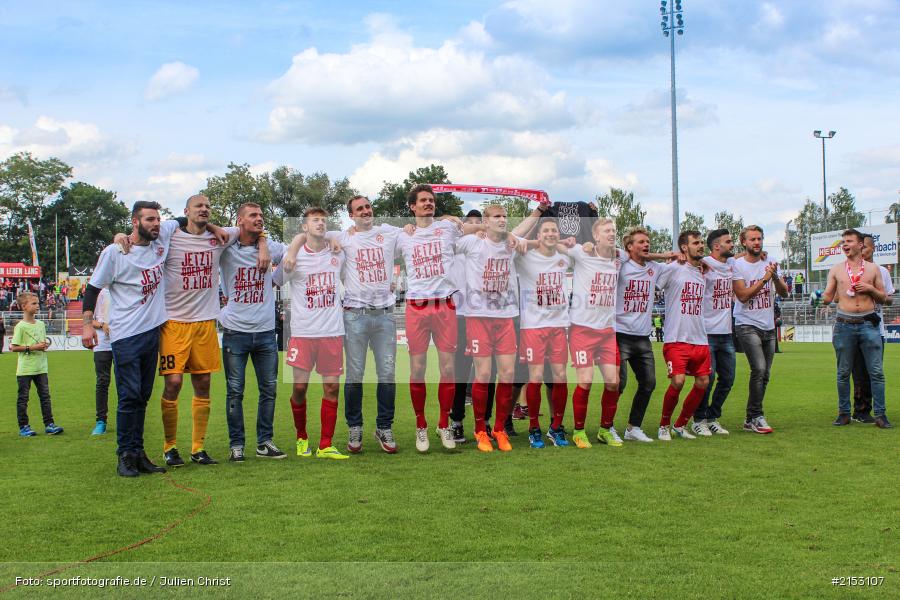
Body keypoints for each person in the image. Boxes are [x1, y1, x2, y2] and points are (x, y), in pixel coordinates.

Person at [287, 196, 402, 454]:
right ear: (351, 215)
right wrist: (295, 249)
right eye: (359, 208)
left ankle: (384, 427)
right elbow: (308, 235)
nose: (365, 211)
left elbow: (416, 230)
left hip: (384, 315)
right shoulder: (342, 236)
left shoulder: (388, 231)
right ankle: (354, 427)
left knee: (387, 375)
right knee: (354, 376)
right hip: (354, 316)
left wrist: (450, 220)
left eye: (368, 206)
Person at [155, 195, 248, 467]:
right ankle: (170, 447)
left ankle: (198, 448)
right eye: (199, 206)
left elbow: (252, 230)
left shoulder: (219, 238)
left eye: (208, 206)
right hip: (174, 323)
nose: (204, 209)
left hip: (206, 322)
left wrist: (263, 244)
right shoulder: (170, 236)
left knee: (203, 383)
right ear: (186, 212)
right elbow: (138, 233)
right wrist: (118, 237)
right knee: (173, 383)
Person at [82, 201, 170, 477]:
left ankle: (138, 452)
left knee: (142, 396)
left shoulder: (161, 240)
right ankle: (124, 455)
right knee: (129, 396)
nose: (156, 224)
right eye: (149, 220)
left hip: (151, 333)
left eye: (157, 219)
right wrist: (87, 326)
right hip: (125, 335)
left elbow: (188, 217)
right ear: (135, 222)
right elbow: (92, 290)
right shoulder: (115, 251)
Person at [276, 207, 348, 459]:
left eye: (323, 220)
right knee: (299, 388)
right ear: (304, 227)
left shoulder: (338, 252)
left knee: (331, 388)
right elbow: (276, 281)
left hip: (332, 332)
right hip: (303, 333)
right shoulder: (293, 255)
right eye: (314, 220)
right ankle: (301, 437)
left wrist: (332, 239)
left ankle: (326, 444)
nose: (320, 223)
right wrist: (292, 251)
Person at [396, 184, 463, 452]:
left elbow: (473, 230)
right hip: (417, 306)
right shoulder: (402, 235)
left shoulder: (447, 228)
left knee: (448, 369)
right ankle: (421, 426)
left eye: (431, 200)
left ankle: (443, 424)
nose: (428, 203)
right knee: (418, 369)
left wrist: (456, 219)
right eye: (423, 200)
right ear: (412, 206)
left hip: (445, 305)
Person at [455, 205, 527, 452]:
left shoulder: (510, 244)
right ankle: (479, 431)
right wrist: (479, 228)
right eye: (497, 216)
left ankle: (499, 429)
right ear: (486, 220)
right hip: (478, 317)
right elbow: (452, 233)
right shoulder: (473, 242)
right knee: (483, 374)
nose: (502, 220)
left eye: (505, 216)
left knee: (507, 374)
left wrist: (537, 214)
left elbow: (530, 238)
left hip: (506, 317)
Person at [218, 203, 286, 462]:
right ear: (239, 220)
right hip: (236, 331)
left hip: (267, 332)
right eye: (253, 215)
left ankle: (264, 442)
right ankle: (236, 445)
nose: (259, 219)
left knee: (268, 390)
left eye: (261, 216)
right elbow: (207, 235)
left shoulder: (273, 247)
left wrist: (266, 247)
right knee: (235, 391)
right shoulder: (227, 247)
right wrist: (220, 315)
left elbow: (293, 256)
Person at [561, 218, 620, 449]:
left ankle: (605, 429)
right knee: (585, 382)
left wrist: (667, 257)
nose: (611, 233)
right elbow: (555, 244)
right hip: (582, 331)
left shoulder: (618, 257)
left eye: (614, 230)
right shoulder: (582, 252)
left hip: (607, 332)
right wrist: (567, 241)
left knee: (613, 383)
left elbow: (640, 255)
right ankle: (578, 431)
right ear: (596, 236)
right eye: (607, 230)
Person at [822, 229, 890, 428]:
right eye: (843, 241)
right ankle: (843, 413)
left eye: (849, 241)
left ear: (860, 245)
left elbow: (885, 298)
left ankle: (880, 415)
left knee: (876, 372)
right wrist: (818, 299)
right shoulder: (836, 269)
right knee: (843, 372)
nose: (844, 244)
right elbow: (828, 297)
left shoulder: (873, 269)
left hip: (869, 324)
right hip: (844, 325)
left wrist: (870, 289)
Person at [614, 227, 674, 443]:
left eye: (648, 241)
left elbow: (681, 261)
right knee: (618, 384)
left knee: (648, 383)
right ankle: (607, 426)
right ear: (629, 247)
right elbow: (614, 251)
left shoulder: (655, 269)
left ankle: (633, 427)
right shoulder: (621, 263)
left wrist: (670, 257)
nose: (646, 245)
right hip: (619, 333)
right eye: (640, 242)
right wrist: (663, 254)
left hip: (642, 336)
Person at [515, 218, 571, 448]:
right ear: (539, 235)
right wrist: (535, 243)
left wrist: (568, 244)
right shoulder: (525, 256)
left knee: (560, 378)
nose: (550, 233)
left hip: (558, 326)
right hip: (533, 327)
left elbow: (592, 251)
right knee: (535, 378)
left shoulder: (564, 257)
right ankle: (534, 428)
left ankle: (556, 428)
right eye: (545, 230)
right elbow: (513, 241)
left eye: (554, 230)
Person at [732, 225, 789, 434]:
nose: (757, 243)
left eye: (759, 239)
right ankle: (757, 415)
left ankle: (750, 418)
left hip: (768, 325)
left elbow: (784, 293)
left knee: (765, 374)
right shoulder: (738, 266)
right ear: (744, 242)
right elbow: (743, 296)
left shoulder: (771, 263)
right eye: (752, 239)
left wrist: (774, 277)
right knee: (759, 369)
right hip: (746, 323)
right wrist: (764, 279)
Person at [655, 231, 711, 440]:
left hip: (700, 338)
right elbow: (654, 281)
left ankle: (680, 425)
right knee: (678, 381)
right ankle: (663, 426)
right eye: (696, 243)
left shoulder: (705, 271)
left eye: (702, 242)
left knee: (703, 382)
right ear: (684, 247)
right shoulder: (673, 268)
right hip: (676, 338)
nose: (700, 246)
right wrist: (667, 258)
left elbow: (726, 259)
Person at [692, 228, 736, 436]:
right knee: (706, 380)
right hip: (706, 332)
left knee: (728, 379)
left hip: (726, 332)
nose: (732, 244)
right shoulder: (705, 265)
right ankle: (698, 419)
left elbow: (747, 256)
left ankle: (712, 416)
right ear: (716, 246)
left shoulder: (732, 264)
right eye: (728, 242)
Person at [850, 233, 895, 423]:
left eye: (865, 248)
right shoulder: (849, 270)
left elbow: (890, 299)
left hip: (876, 329)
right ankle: (860, 411)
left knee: (874, 372)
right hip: (853, 328)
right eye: (860, 248)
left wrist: (871, 290)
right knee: (857, 373)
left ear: (873, 249)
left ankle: (879, 411)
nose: (862, 252)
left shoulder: (882, 271)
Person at [10, 291, 63, 437]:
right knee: (23, 399)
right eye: (33, 303)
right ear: (24, 306)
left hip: (41, 367)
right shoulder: (20, 327)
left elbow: (41, 343)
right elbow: (14, 347)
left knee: (45, 397)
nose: (37, 305)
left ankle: (49, 424)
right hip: (25, 369)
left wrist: (43, 345)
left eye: (38, 303)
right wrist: (32, 347)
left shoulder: (40, 324)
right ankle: (24, 427)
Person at [90, 287, 113, 435]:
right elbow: (88, 319)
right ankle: (101, 421)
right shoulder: (98, 292)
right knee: (102, 381)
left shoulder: (123, 288)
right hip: (102, 344)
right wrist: (102, 325)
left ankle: (127, 419)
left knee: (125, 381)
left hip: (122, 340)